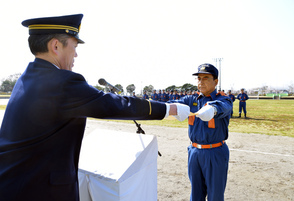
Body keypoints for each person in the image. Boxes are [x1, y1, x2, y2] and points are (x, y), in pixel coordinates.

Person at [0, 14, 190, 201]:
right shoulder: (61, 83)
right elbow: (112, 104)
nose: (76, 54)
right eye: (74, 46)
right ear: (56, 46)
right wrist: (169, 108)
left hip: (16, 184)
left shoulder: (27, 77)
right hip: (39, 191)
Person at [169, 63, 232, 201]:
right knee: (196, 194)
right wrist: (168, 109)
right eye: (198, 78)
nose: (200, 81)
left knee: (215, 195)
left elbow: (224, 107)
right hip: (194, 151)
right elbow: (171, 103)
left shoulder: (223, 99)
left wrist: (212, 109)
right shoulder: (191, 99)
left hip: (215, 152)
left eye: (205, 78)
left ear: (215, 81)